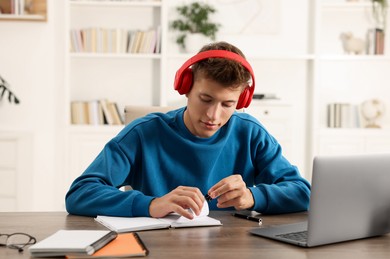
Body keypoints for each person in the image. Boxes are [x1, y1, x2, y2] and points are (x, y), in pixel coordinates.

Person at [65, 41, 310, 219]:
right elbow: (80, 194)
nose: (213, 115)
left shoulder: (251, 133)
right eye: (205, 98)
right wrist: (151, 205)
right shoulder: (143, 133)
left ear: (242, 100)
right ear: (186, 87)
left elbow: (302, 192)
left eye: (227, 104)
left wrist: (253, 197)